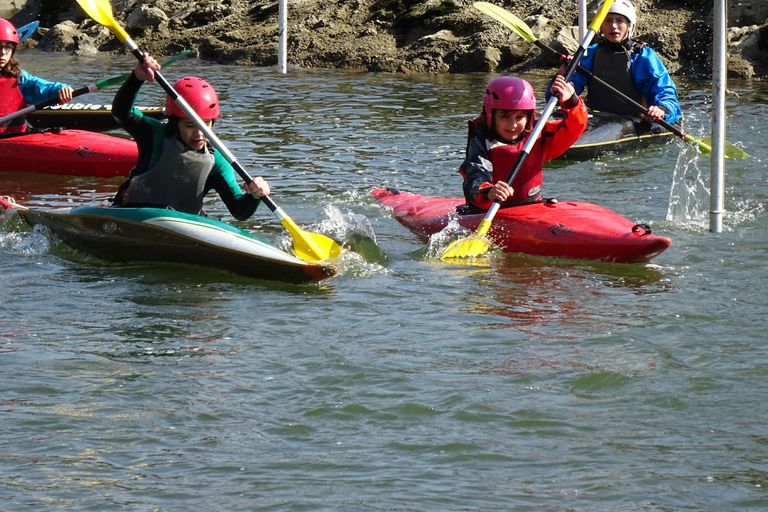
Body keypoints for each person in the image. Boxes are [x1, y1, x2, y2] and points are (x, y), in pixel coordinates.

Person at [111, 53, 271, 219]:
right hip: (133, 215)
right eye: (190, 125)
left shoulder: (217, 161)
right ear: (175, 122)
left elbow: (239, 211)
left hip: (181, 226)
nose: (199, 133)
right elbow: (121, 112)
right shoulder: (155, 135)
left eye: (206, 124)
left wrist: (254, 196)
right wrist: (137, 78)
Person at [459, 74, 587, 210]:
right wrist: (488, 192)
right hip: (489, 209)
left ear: (528, 116)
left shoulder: (537, 132)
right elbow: (475, 174)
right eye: (505, 117)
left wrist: (571, 102)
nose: (513, 125)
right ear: (491, 115)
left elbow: (574, 128)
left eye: (519, 117)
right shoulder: (481, 139)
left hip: (531, 206)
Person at [551, 0, 681, 125]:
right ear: (601, 26)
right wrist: (562, 79)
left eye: (619, 21)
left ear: (629, 25)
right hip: (596, 118)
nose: (613, 26)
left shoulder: (642, 56)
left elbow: (665, 90)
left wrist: (662, 109)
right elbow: (559, 96)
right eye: (608, 21)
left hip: (636, 120)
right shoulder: (589, 53)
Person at [0, 18, 74, 133]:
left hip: (16, 137)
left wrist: (61, 89)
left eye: (8, 47)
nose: (3, 52)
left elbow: (41, 87)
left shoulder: (18, 77)